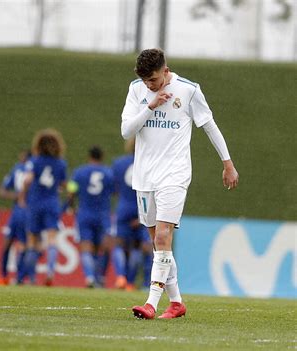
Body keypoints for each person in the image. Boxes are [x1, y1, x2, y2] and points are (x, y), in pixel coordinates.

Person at [121, 48, 239, 319]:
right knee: (158, 244)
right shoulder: (136, 90)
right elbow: (126, 131)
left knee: (163, 236)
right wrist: (150, 106)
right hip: (144, 175)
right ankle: (176, 302)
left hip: (174, 174)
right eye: (146, 81)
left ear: (165, 69)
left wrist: (227, 163)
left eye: (153, 79)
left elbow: (210, 125)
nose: (150, 85)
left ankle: (151, 303)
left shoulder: (188, 90)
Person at [18, 129, 67, 286]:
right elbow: (63, 184)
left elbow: (27, 180)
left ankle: (31, 278)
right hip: (52, 203)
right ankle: (50, 272)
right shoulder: (60, 163)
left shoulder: (35, 161)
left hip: (35, 202)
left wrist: (22, 196)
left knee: (32, 240)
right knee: (52, 239)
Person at [67, 146, 114, 288]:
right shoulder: (108, 173)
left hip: (84, 213)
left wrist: (71, 206)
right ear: (102, 157)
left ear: (89, 157)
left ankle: (89, 277)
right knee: (103, 247)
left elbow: (71, 190)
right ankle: (100, 277)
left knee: (86, 247)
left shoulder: (79, 172)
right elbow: (114, 191)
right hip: (102, 214)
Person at [111, 139, 152, 291]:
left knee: (119, 244)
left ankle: (121, 276)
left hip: (123, 207)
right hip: (142, 206)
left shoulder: (118, 163)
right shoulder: (149, 163)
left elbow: (113, 188)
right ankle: (133, 282)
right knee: (140, 246)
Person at [0, 149, 30, 286]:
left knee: (10, 244)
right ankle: (19, 278)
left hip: (20, 212)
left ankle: (8, 277)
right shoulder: (24, 170)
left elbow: (2, 191)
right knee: (24, 246)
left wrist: (17, 196)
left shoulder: (18, 169)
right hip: (24, 212)